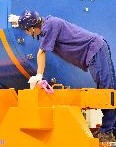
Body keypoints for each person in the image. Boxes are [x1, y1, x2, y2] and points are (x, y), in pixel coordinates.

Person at [8, 11, 116, 142]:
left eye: (26, 30)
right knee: (106, 88)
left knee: (107, 90)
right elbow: (35, 24)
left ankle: (108, 130)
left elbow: (41, 52)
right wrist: (20, 20)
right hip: (95, 51)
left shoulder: (50, 26)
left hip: (95, 49)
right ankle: (111, 128)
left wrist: (39, 75)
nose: (27, 34)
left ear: (31, 28)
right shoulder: (46, 25)